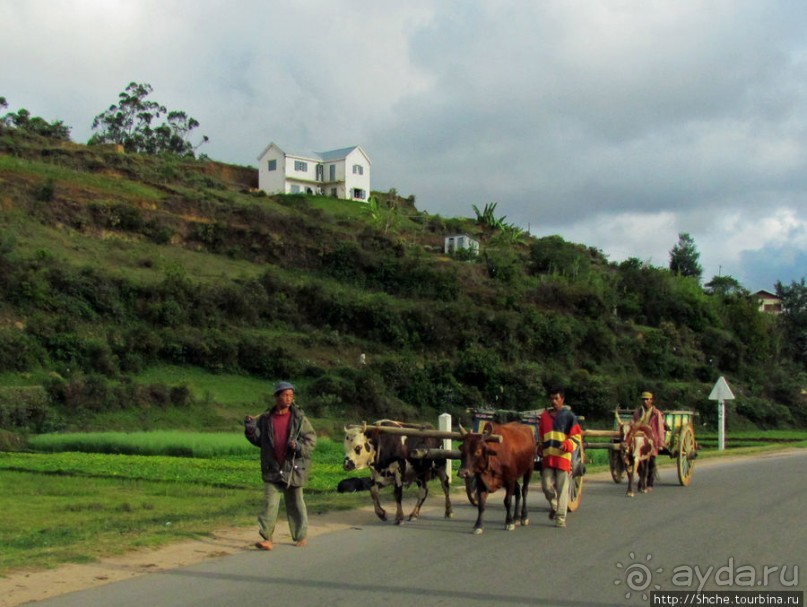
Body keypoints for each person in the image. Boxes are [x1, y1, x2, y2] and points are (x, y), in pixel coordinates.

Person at [244, 381, 316, 550]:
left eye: (291, 395)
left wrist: (299, 447)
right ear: (277, 397)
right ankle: (267, 538)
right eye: (284, 395)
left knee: (296, 503)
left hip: (293, 467)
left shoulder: (299, 418)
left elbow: (311, 440)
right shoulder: (265, 418)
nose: (288, 399)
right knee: (269, 504)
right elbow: (259, 440)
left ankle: (300, 536)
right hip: (272, 467)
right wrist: (250, 430)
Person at [537, 387, 582, 528]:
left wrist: (567, 445)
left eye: (556, 398)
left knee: (562, 488)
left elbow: (576, 437)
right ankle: (555, 506)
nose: (554, 401)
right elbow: (540, 435)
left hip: (563, 458)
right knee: (546, 486)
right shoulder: (544, 417)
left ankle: (560, 518)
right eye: (552, 399)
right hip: (548, 457)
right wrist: (539, 446)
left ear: (562, 399)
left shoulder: (569, 416)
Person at [632, 391, 666, 491]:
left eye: (647, 399)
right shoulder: (637, 413)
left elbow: (660, 428)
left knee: (651, 463)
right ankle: (641, 480)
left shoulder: (656, 413)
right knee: (639, 463)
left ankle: (650, 484)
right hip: (640, 440)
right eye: (643, 399)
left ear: (651, 400)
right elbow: (634, 425)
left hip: (652, 440)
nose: (645, 401)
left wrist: (660, 443)